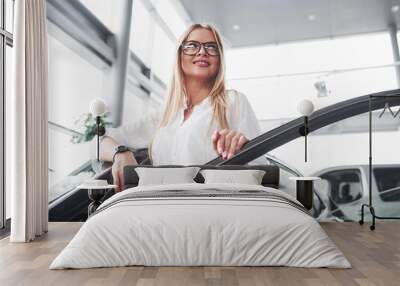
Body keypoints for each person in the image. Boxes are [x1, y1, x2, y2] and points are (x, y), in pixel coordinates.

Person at [100, 24, 266, 192]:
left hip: (209, 206)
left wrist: (241, 149)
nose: (202, 52)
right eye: (193, 45)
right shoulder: (165, 115)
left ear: (219, 60)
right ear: (179, 55)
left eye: (211, 47)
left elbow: (260, 169)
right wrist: (120, 153)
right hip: (159, 206)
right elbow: (99, 143)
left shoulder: (233, 102)